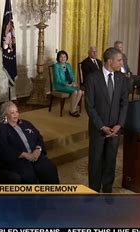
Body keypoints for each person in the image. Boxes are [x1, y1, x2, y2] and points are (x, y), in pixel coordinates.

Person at [85, 47, 129, 193]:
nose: (121, 63)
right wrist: (101, 126)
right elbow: (90, 107)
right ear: (110, 61)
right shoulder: (92, 78)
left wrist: (119, 124)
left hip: (115, 128)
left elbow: (124, 103)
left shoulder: (121, 78)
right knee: (96, 160)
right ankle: (94, 190)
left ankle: (108, 188)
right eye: (119, 60)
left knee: (111, 160)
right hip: (98, 128)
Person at [0, 101, 59, 184]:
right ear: (5, 115)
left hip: (35, 155)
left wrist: (38, 149)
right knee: (29, 176)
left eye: (17, 112)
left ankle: (54, 195)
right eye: (12, 113)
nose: (16, 115)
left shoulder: (25, 123)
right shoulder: (1, 129)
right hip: (18, 160)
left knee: (49, 168)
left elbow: (38, 137)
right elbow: (4, 149)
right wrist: (24, 154)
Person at [52, 50, 83, 117]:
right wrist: (67, 84)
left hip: (70, 84)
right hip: (60, 85)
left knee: (80, 91)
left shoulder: (68, 65)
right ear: (58, 58)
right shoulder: (56, 66)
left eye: (64, 57)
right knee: (74, 92)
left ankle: (73, 109)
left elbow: (72, 76)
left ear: (66, 58)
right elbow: (57, 79)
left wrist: (73, 82)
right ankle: (72, 111)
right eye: (61, 57)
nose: (63, 58)